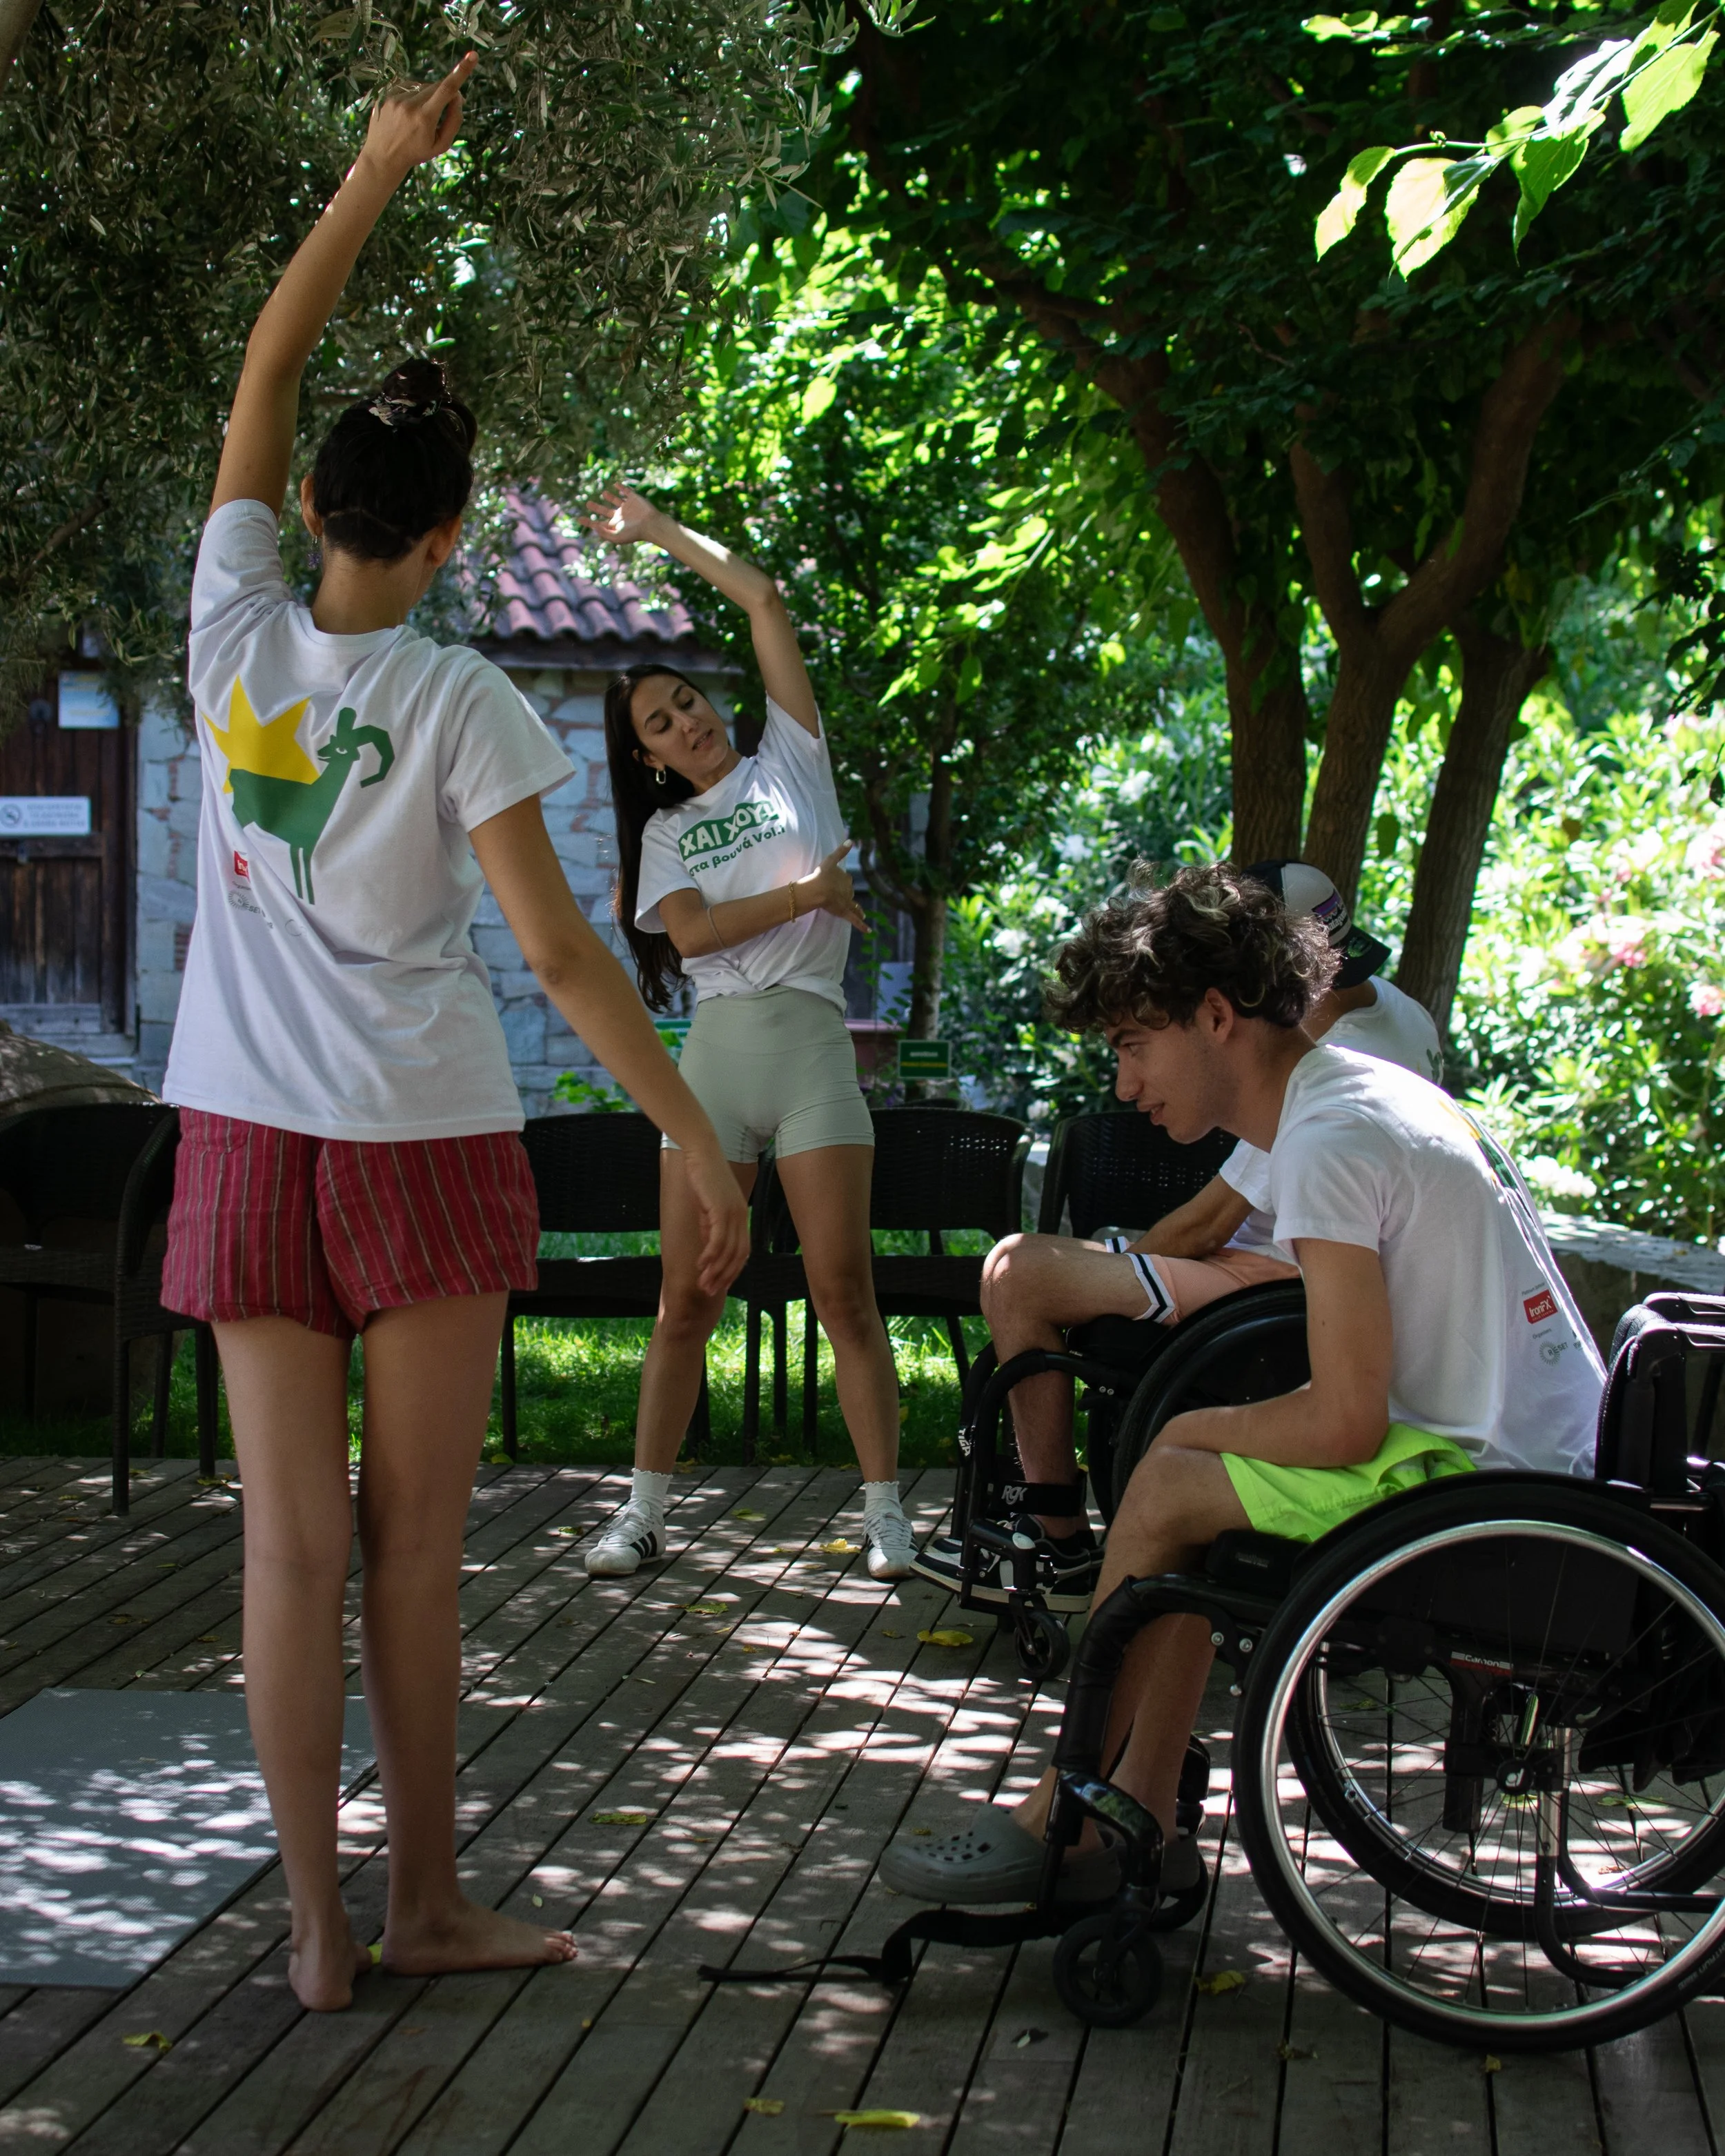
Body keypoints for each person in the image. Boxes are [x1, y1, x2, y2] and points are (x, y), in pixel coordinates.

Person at [159, 57, 749, 2013]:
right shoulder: (464, 696)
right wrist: (688, 1131)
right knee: (413, 1557)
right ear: (444, 540)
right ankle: (421, 1896)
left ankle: (317, 1931)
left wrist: (369, 178)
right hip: (418, 1146)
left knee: (284, 1559)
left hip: (244, 1147)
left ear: (315, 507)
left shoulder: (233, 625)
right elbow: (569, 959)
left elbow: (261, 369)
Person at [880, 863, 1603, 1908]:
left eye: (1133, 1046)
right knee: (1179, 1474)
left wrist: (1198, 1436)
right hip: (1532, 1456)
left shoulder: (1327, 1139)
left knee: (1169, 1477)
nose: (1125, 1085)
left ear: (1216, 1015)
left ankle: (1067, 1816)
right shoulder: (1358, 1098)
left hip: (1490, 1485)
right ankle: (1140, 1813)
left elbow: (1349, 1416)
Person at [911, 858, 1442, 1607]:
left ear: (1230, 1005)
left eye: (1134, 1047)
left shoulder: (1325, 1109)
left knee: (1023, 1276)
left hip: (1290, 1306)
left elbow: (1210, 1226)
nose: (1126, 1088)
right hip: (1408, 1385)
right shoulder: (1395, 1029)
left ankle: (1058, 1534)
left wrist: (1166, 1418)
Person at [578, 484, 915, 1584]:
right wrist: (811, 894)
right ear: (650, 760)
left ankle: (886, 1516)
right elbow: (698, 933)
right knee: (687, 1300)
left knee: (846, 1292)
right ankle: (641, 1512)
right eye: (661, 724)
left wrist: (661, 534)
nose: (688, 721)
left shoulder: (791, 761)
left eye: (689, 699)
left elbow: (764, 598)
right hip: (715, 1064)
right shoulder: (666, 836)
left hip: (815, 1051)